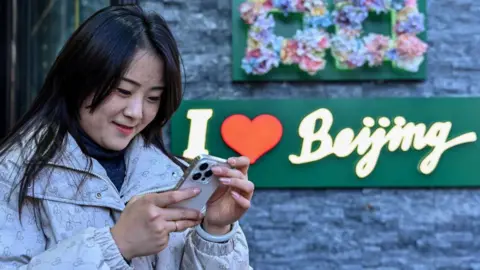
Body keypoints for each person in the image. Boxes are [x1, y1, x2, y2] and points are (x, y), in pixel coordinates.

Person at [0, 4, 254, 270]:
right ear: (80, 78)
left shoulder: (171, 176)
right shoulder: (14, 173)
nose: (136, 112)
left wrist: (215, 230)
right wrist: (117, 244)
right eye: (123, 91)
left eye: (153, 98)